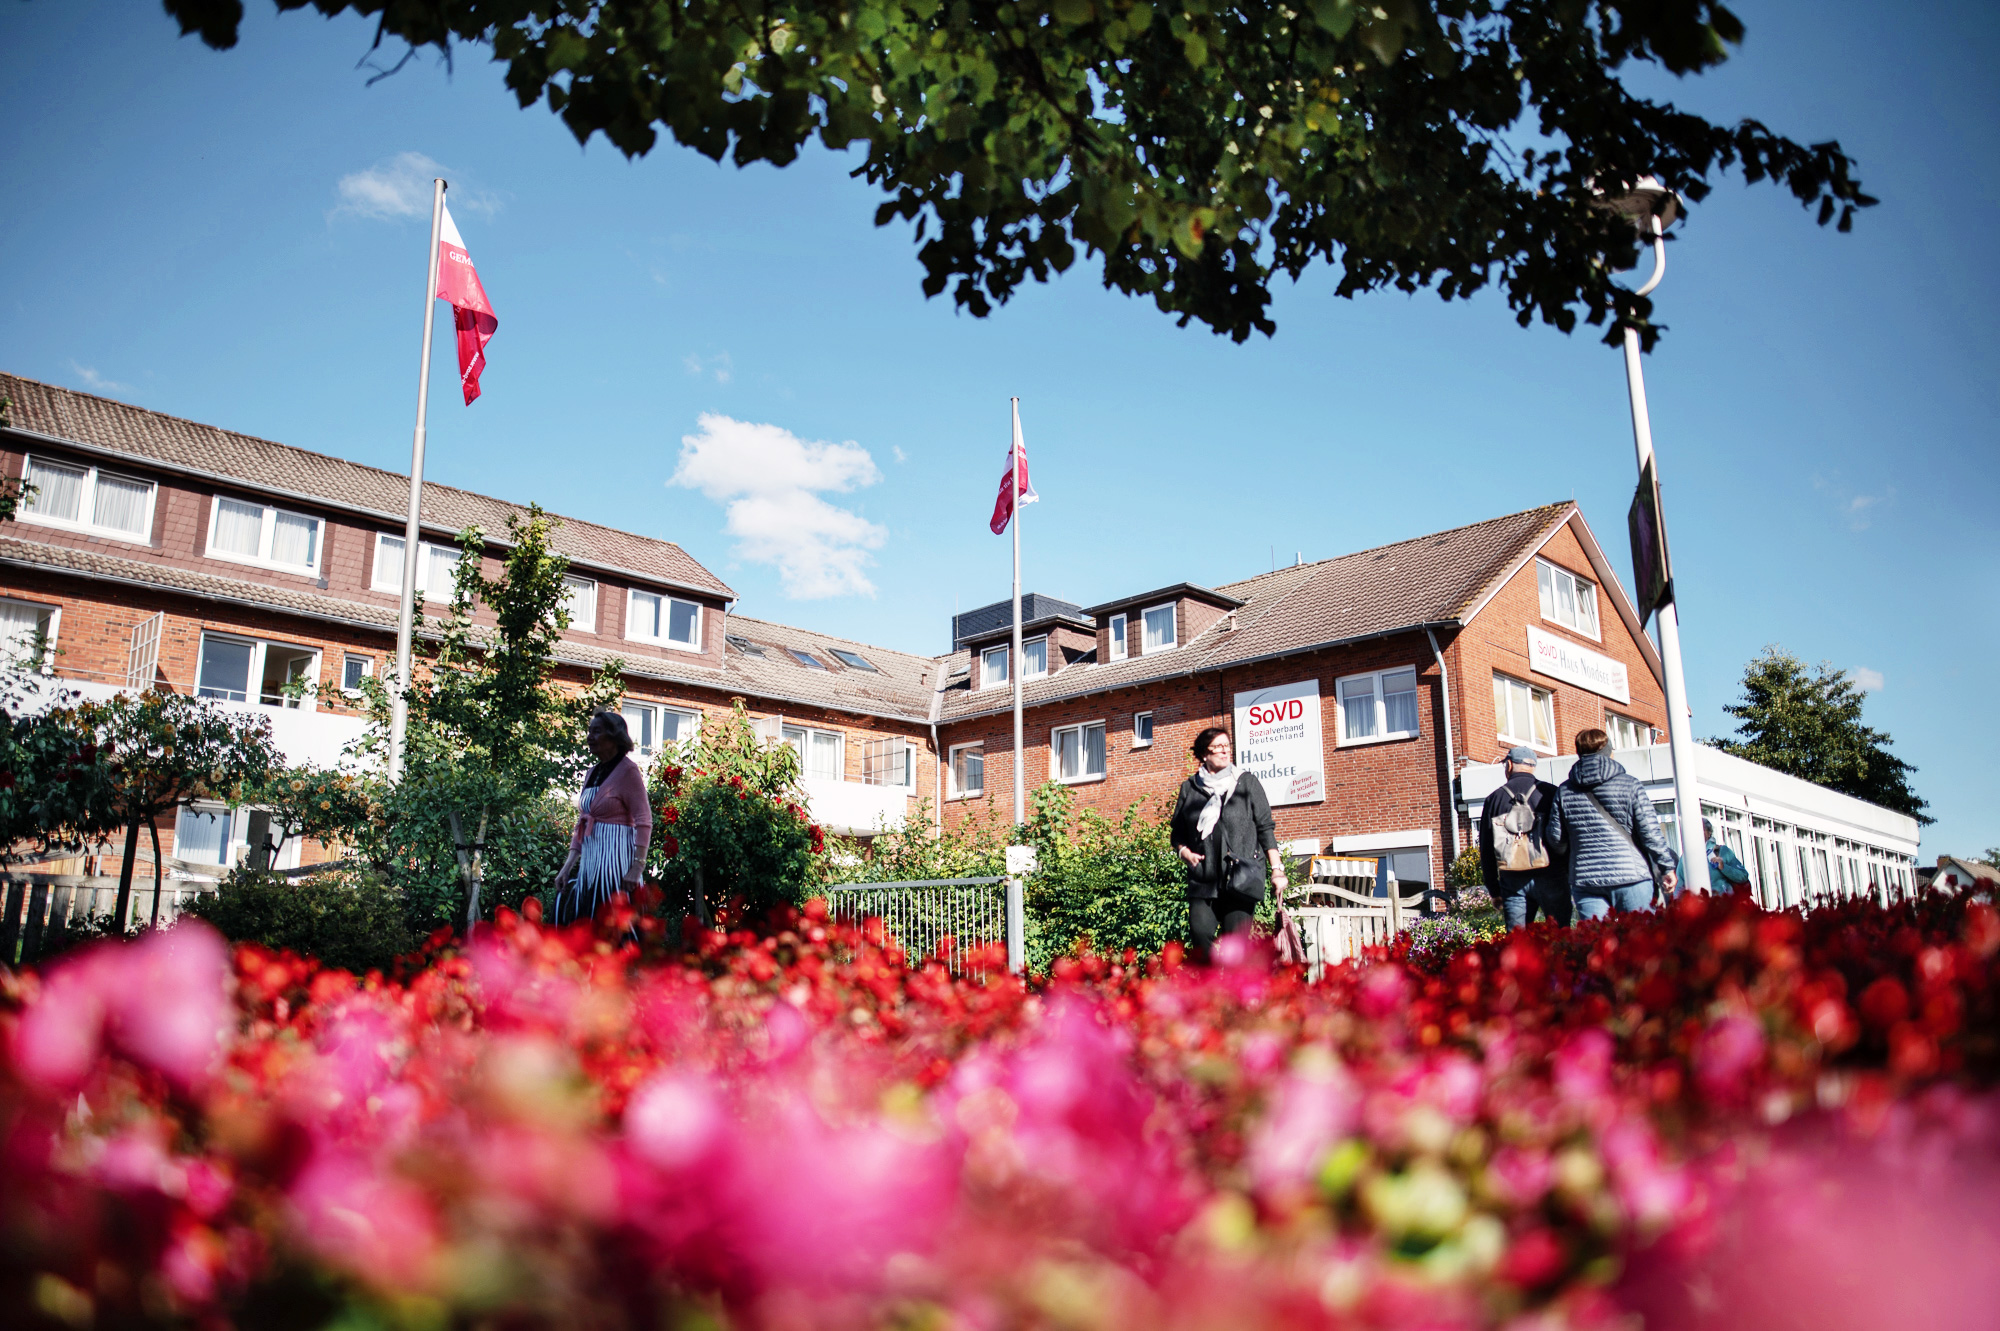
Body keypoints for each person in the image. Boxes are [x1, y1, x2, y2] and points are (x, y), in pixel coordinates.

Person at [1170, 727, 1287, 961]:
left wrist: (1277, 870)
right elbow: (1177, 833)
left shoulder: (1246, 783)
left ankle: (1233, 994)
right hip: (1204, 878)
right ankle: (1211, 992)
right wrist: (1184, 852)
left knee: (1235, 949)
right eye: (1218, 747)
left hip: (1241, 880)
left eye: (1227, 746)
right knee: (1200, 937)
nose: (1225, 751)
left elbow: (1265, 828)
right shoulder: (1190, 789)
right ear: (1205, 753)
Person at [1545, 727, 1677, 920]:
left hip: (1586, 879)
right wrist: (1666, 867)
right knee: (1638, 940)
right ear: (1610, 753)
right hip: (1631, 876)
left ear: (1578, 753)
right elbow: (1650, 833)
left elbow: (1556, 840)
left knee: (1596, 943)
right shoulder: (1630, 784)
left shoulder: (1564, 791)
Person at [548, 709, 653, 928]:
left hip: (616, 866)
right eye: (589, 731)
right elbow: (582, 823)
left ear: (615, 737)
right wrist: (567, 867)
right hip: (590, 864)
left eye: (596, 732)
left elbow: (644, 820)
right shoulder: (592, 772)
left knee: (615, 927)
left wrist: (637, 868)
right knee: (587, 925)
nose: (589, 737)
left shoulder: (628, 772)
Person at [1478, 745, 1571, 929]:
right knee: (1561, 938)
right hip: (1551, 875)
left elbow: (1486, 848)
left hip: (1512, 880)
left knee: (1518, 944)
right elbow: (1564, 836)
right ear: (1533, 767)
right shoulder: (1551, 793)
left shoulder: (1494, 798)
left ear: (1510, 765)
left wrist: (1494, 890)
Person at [1680, 817, 1751, 895]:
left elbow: (1743, 876)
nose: (1697, 833)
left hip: (1721, 903)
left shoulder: (1722, 851)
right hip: (1698, 904)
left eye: (1701, 830)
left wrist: (1724, 867)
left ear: (1709, 833)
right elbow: (1679, 885)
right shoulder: (1685, 857)